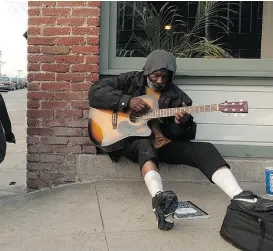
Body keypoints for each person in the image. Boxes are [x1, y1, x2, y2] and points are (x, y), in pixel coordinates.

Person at [88, 50, 259, 231]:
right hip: (132, 143)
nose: (160, 81)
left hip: (162, 145)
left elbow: (184, 134)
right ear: (147, 70)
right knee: (145, 145)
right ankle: (160, 199)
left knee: (205, 149)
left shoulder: (179, 98)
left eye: (166, 77)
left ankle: (239, 196)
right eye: (156, 75)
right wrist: (126, 101)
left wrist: (183, 125)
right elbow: (95, 92)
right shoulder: (129, 80)